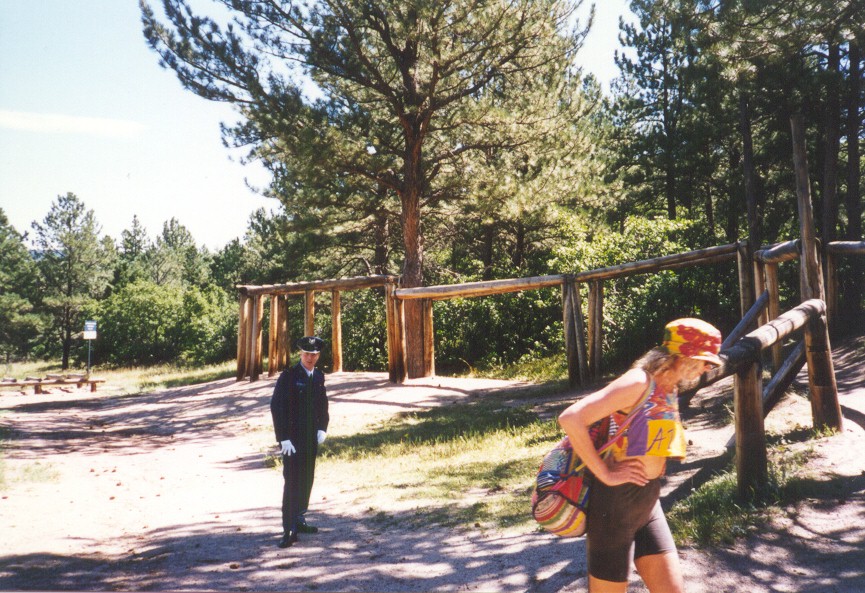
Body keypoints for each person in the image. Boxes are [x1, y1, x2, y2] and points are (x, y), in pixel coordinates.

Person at [558, 318, 723, 593]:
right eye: (704, 360)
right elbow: (571, 418)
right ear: (683, 355)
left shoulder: (669, 386)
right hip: (613, 507)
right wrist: (605, 473)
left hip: (648, 504)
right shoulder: (638, 382)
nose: (708, 368)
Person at [270, 335, 330, 548]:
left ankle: (299, 518)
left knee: (306, 478)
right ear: (300, 354)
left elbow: (322, 404)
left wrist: (323, 427)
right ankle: (289, 528)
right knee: (293, 481)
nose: (310, 358)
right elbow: (277, 407)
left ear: (318, 355)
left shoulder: (318, 376)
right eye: (306, 354)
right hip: (292, 440)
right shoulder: (289, 376)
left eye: (314, 354)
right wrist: (283, 438)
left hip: (310, 437)